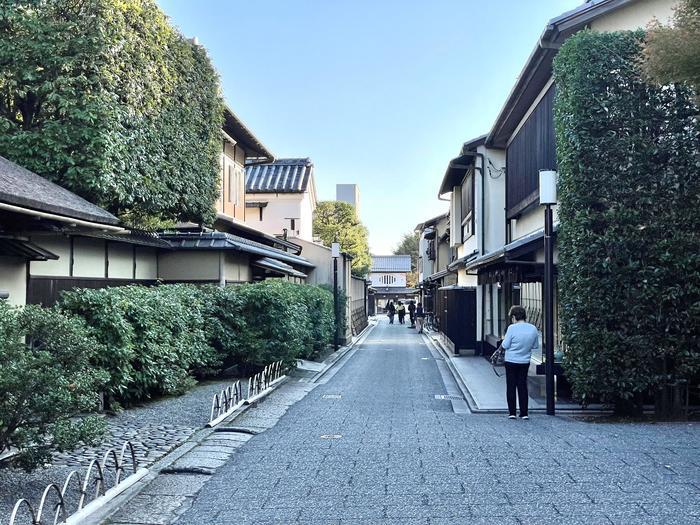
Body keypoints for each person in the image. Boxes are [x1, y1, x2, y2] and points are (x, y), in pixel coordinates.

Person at [500, 305, 539, 420]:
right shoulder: (533, 328)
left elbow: (505, 345)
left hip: (511, 361)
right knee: (522, 386)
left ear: (513, 317)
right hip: (525, 361)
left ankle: (512, 412)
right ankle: (524, 413)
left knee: (511, 386)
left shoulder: (512, 328)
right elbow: (535, 345)